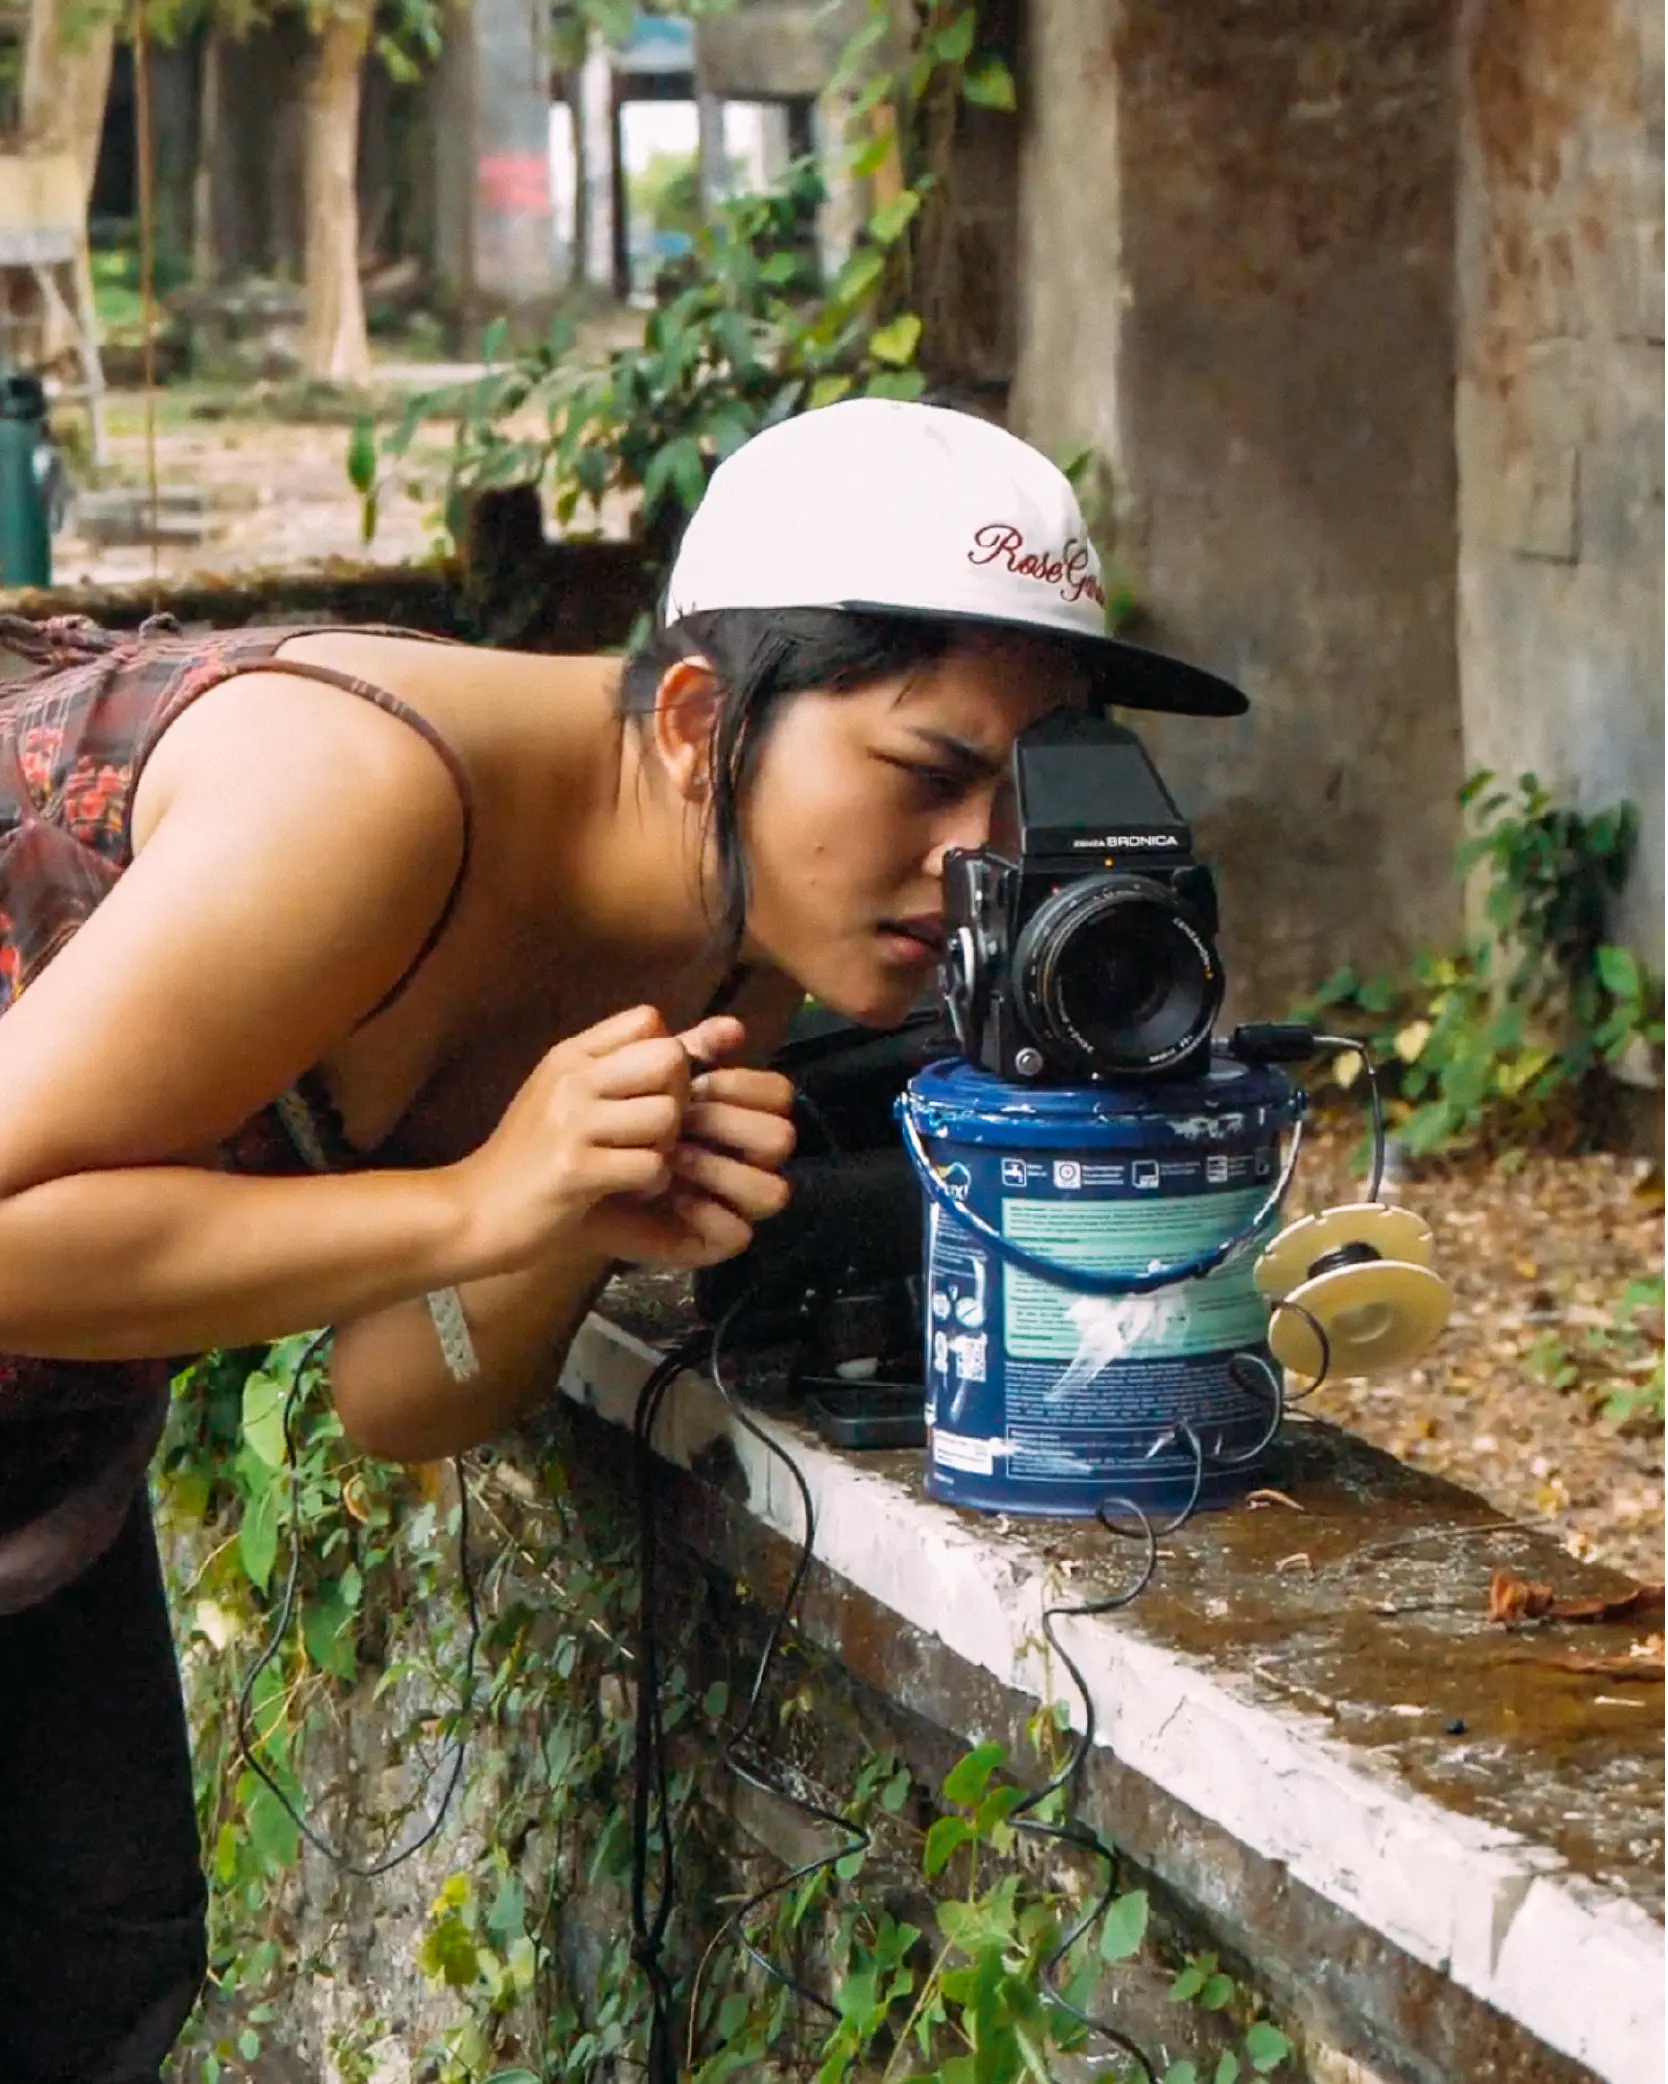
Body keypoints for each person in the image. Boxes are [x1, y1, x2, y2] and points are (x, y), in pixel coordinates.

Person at [0, 397, 1244, 2080]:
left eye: (1029, 789)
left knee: (94, 1987)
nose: (982, 862)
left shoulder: (736, 932)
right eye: (931, 774)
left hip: (39, 1489)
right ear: (693, 720)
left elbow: (400, 1395)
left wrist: (567, 1218)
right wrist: (474, 1198)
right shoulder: (366, 800)